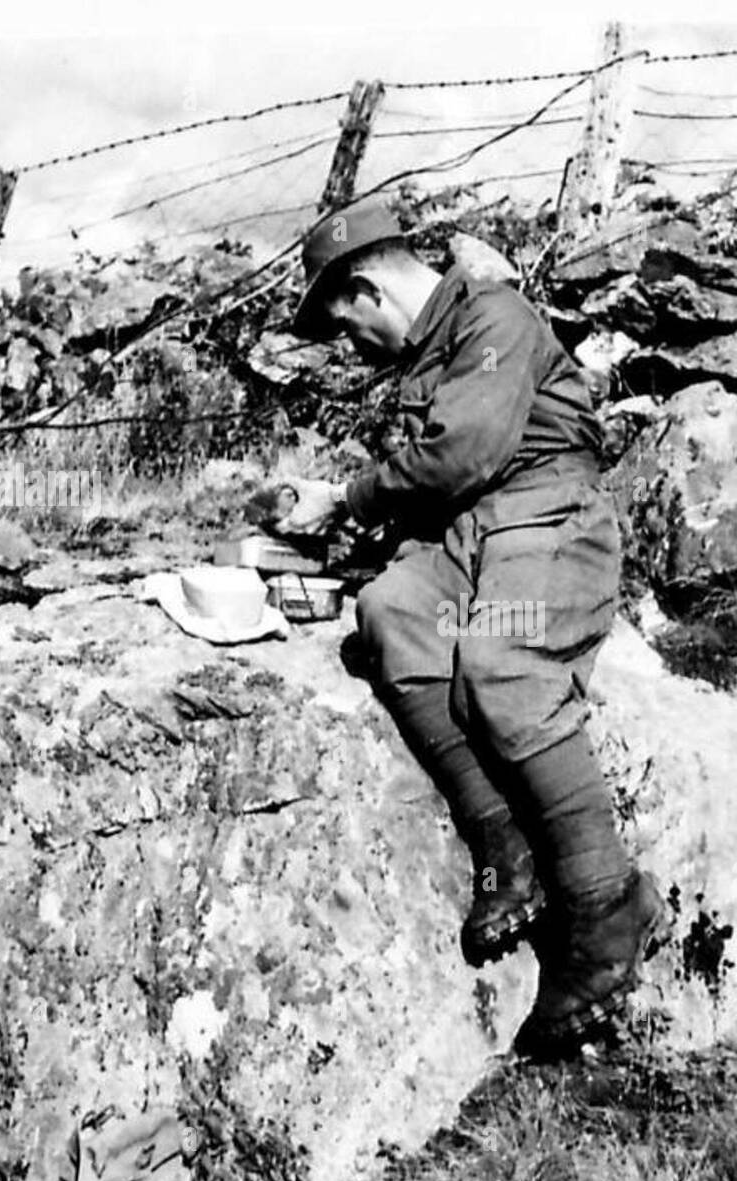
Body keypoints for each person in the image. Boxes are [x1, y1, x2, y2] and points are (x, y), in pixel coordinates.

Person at [255, 198, 665, 1058]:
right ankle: (504, 840)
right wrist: (345, 524)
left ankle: (606, 903)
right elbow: (435, 482)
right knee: (391, 611)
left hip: (547, 516)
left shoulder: (493, 317)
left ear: (365, 290)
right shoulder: (430, 351)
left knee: (501, 665)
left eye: (344, 325)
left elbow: (466, 452)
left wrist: (347, 498)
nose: (351, 347)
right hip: (469, 536)